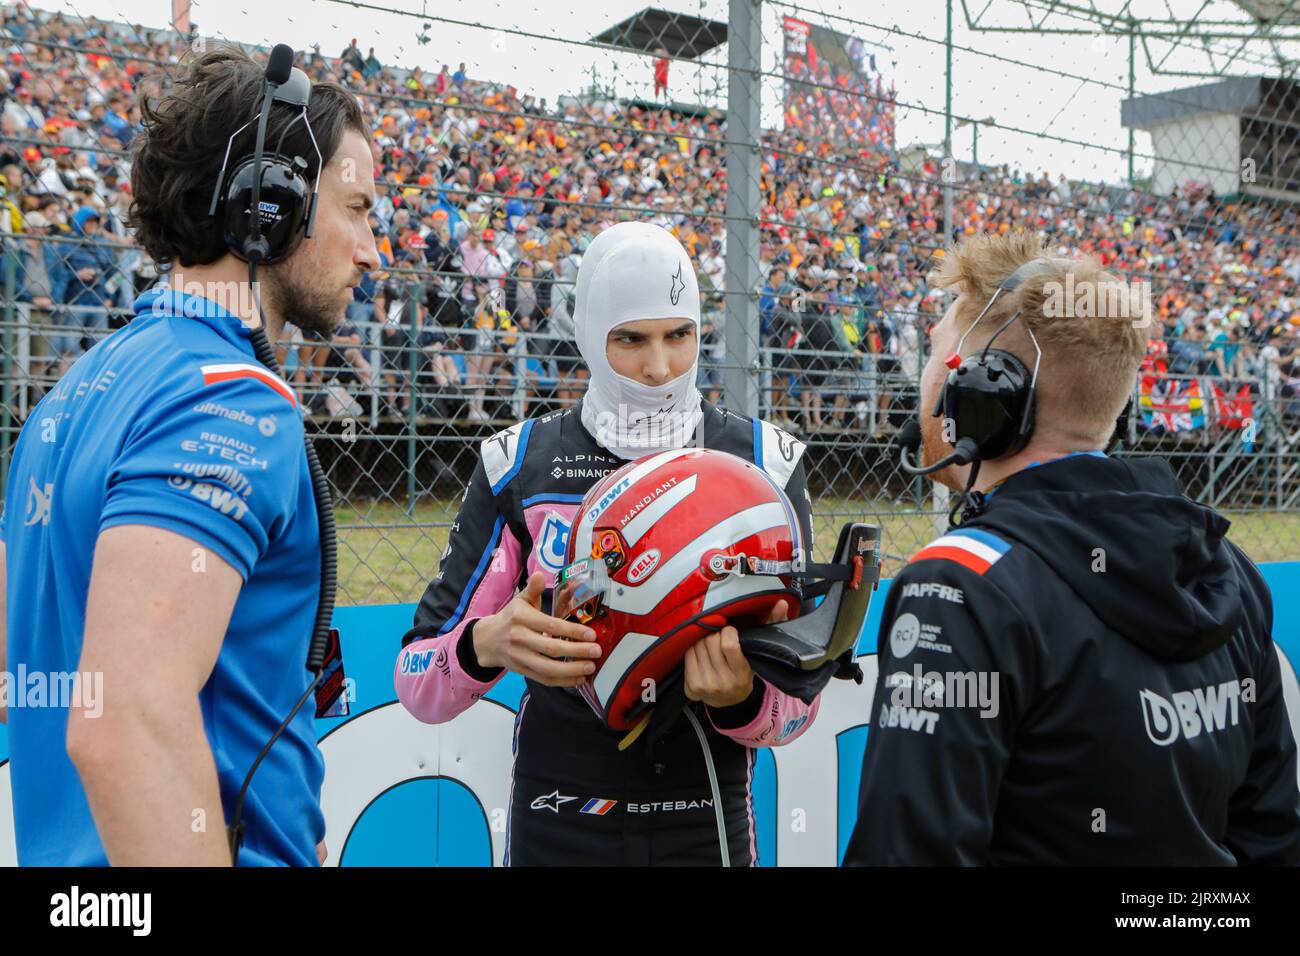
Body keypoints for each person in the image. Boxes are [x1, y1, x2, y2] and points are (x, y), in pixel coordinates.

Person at [0, 45, 379, 866]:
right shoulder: (228, 396)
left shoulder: (72, 391)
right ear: (271, 206)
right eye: (357, 208)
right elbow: (123, 721)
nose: (371, 249)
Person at [844, 233, 1300, 866]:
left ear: (987, 398)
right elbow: (1272, 837)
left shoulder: (958, 585)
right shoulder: (1225, 564)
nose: (926, 380)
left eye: (938, 355)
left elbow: (907, 855)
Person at [394, 222, 821, 866]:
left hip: (702, 817)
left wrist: (745, 700)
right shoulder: (518, 464)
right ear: (591, 336)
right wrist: (484, 645)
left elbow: (798, 708)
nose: (658, 366)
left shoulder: (767, 465)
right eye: (630, 339)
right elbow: (415, 680)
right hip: (557, 816)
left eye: (680, 335)